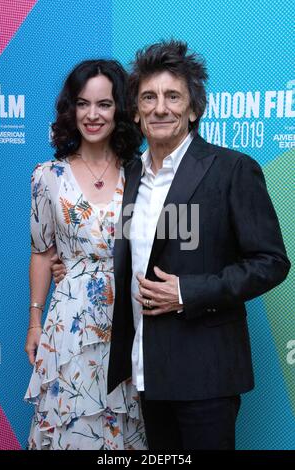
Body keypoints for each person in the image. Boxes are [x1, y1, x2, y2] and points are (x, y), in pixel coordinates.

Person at [52, 41, 290, 450]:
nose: (160, 107)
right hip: (146, 374)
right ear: (138, 111)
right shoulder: (131, 176)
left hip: (205, 374)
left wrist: (187, 292)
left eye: (172, 96)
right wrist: (75, 266)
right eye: (149, 97)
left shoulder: (231, 169)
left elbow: (271, 262)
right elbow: (133, 250)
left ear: (193, 109)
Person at [24, 59, 147, 450]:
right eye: (83, 104)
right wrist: (34, 321)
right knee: (70, 420)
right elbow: (42, 253)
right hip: (69, 322)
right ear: (70, 109)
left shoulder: (141, 174)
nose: (92, 115)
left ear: (120, 110)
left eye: (104, 105)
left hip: (129, 317)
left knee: (124, 426)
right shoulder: (47, 176)